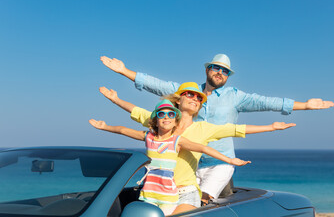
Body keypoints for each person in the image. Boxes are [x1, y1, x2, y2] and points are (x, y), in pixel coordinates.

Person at [97, 82, 296, 213]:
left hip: (186, 192)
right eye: (189, 94)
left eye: (199, 98)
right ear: (178, 99)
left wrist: (271, 127)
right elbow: (137, 113)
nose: (195, 98)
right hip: (156, 192)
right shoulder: (164, 120)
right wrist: (115, 100)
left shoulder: (203, 128)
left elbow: (235, 129)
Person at [89, 99, 251, 215]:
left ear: (175, 121)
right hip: (149, 195)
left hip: (169, 197)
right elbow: (124, 130)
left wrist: (229, 160)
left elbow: (202, 147)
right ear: (156, 120)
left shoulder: (177, 141)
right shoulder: (149, 137)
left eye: (170, 114)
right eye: (162, 114)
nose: (166, 116)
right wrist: (105, 127)